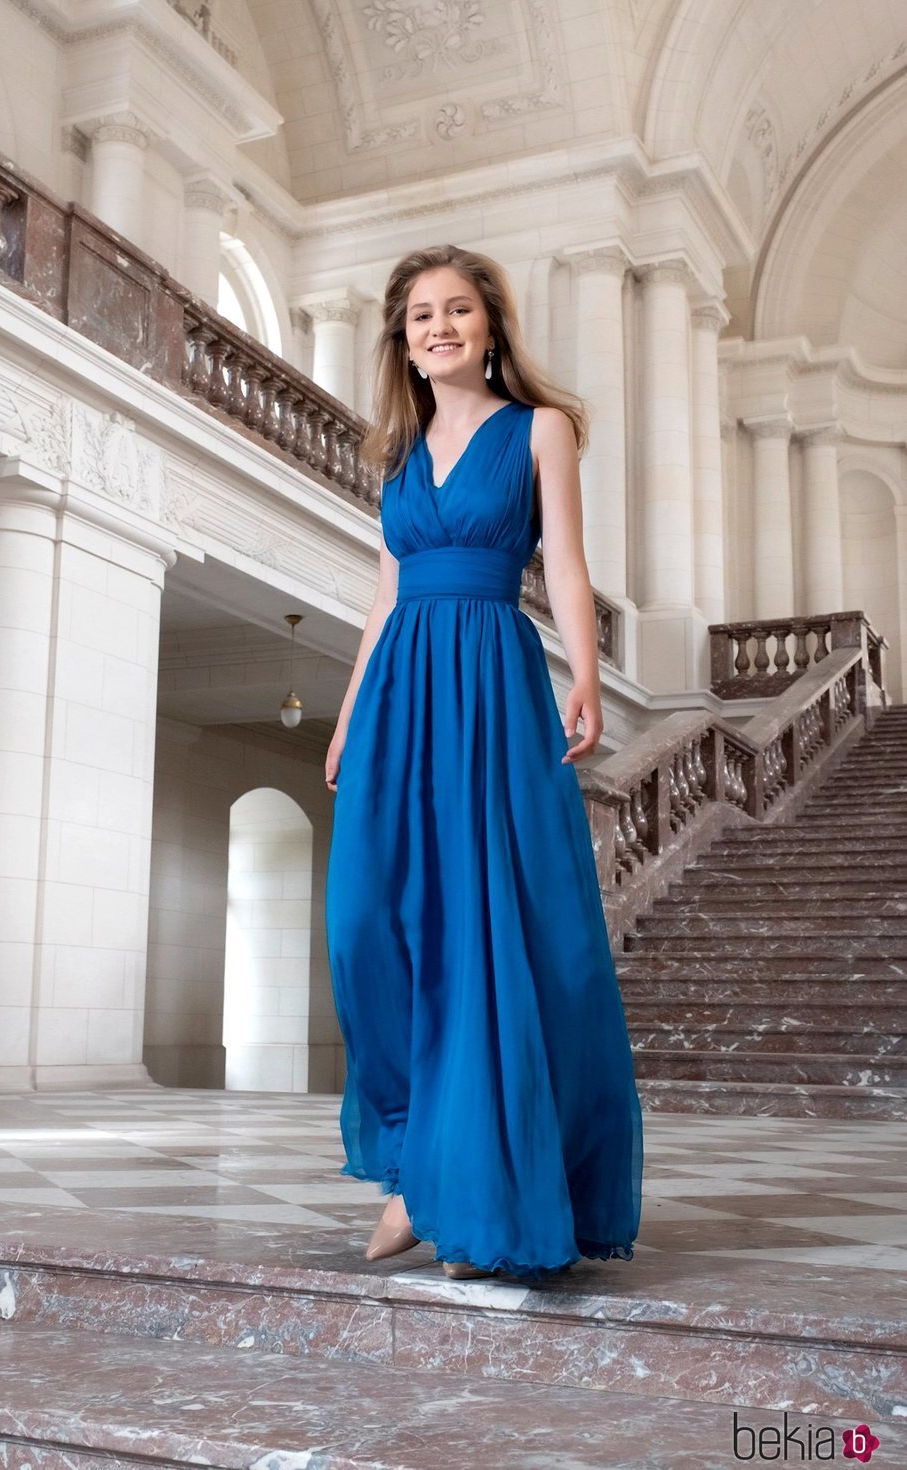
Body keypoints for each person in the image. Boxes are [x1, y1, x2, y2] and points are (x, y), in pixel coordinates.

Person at [324, 244, 643, 1282]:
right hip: (398, 692)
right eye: (419, 316)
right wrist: (344, 713)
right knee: (367, 920)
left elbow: (564, 561)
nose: (438, 326)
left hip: (492, 686)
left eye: (456, 310)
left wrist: (583, 675)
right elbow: (382, 598)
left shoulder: (538, 430)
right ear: (402, 343)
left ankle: (463, 1192)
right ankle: (417, 1155)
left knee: (483, 926)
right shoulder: (398, 460)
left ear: (491, 325)